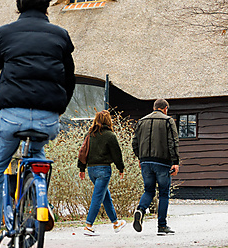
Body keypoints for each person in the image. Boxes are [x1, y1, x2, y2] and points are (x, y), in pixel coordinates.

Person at [0, 0, 75, 248]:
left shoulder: (4, 34)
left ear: (19, 6)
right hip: (48, 119)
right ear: (47, 7)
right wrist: (59, 108)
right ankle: (38, 204)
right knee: (36, 157)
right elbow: (68, 79)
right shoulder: (61, 36)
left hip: (13, 116)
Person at [131, 98, 180, 235]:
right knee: (163, 193)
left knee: (148, 190)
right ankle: (162, 226)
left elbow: (135, 142)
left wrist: (140, 157)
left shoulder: (141, 121)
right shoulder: (168, 121)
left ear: (154, 108)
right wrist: (175, 162)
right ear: (165, 109)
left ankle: (140, 210)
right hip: (162, 162)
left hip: (145, 161)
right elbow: (173, 142)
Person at [77, 110, 126, 235]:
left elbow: (83, 151)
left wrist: (82, 169)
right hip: (103, 170)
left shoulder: (89, 134)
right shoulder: (110, 135)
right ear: (108, 120)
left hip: (91, 170)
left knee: (105, 196)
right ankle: (88, 226)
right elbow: (117, 154)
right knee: (98, 197)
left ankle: (116, 223)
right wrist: (120, 168)